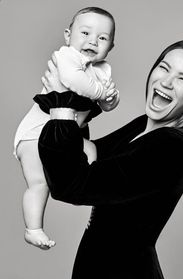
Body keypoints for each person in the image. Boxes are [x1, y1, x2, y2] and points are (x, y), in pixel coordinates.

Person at [36, 40, 183, 279]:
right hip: (100, 271)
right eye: (164, 68)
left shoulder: (169, 147)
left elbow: (71, 183)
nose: (166, 81)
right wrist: (78, 95)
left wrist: (61, 109)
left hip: (124, 278)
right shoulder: (144, 124)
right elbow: (91, 153)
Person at [13, 7, 119, 250]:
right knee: (39, 183)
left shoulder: (102, 69)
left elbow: (107, 101)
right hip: (35, 133)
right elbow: (74, 81)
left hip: (67, 135)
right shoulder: (67, 57)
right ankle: (33, 229)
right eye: (85, 33)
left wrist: (110, 98)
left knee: (91, 153)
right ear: (68, 35)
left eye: (103, 38)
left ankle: (85, 184)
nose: (93, 41)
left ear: (111, 47)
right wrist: (101, 92)